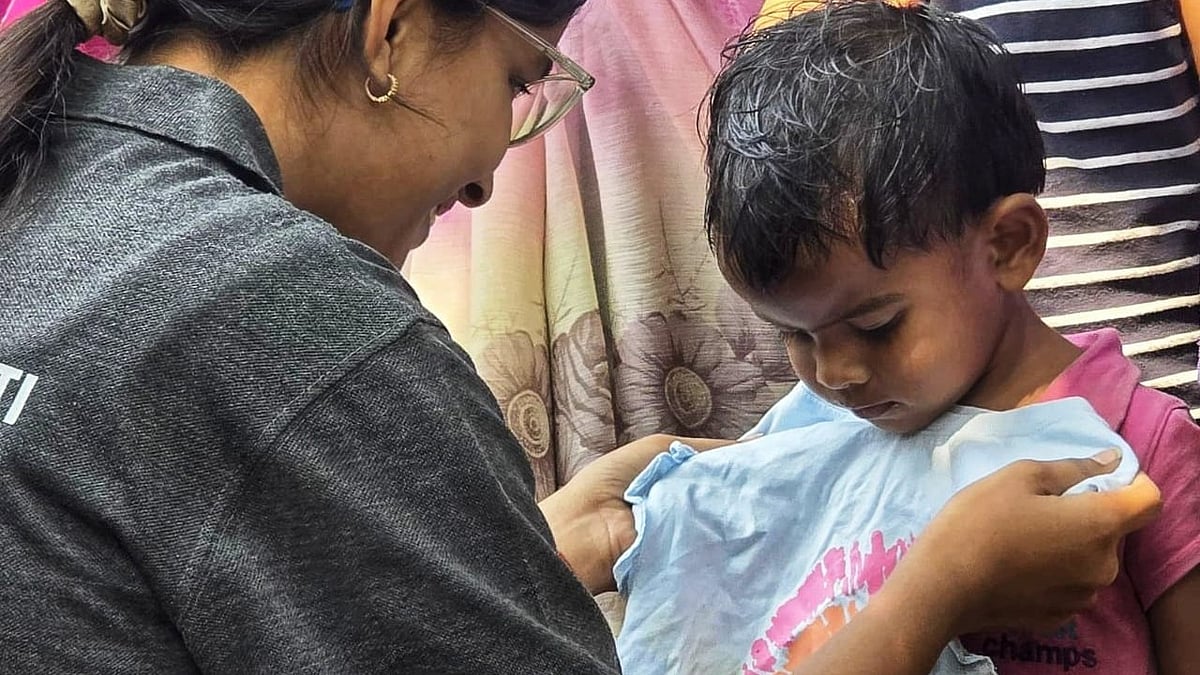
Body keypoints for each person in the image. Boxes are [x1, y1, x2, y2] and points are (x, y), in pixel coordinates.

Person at [0, 0, 1165, 672]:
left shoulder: (51, 193)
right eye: (519, 82)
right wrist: (938, 592)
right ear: (389, 33)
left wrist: (505, 554)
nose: (486, 178)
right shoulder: (293, 316)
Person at [618, 2, 1200, 673]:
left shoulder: (1142, 445)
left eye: (876, 326)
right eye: (795, 336)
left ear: (1008, 245)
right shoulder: (820, 439)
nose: (834, 374)